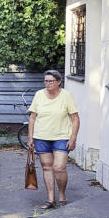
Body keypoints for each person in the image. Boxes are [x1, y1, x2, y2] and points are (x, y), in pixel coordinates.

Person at [27, 69, 79, 209]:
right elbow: (32, 117)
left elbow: (75, 118)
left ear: (59, 82)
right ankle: (50, 198)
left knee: (59, 167)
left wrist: (73, 138)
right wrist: (30, 137)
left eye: (51, 81)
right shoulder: (39, 95)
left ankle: (61, 194)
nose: (48, 84)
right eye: (46, 81)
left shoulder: (67, 96)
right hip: (41, 136)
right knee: (47, 167)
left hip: (62, 136)